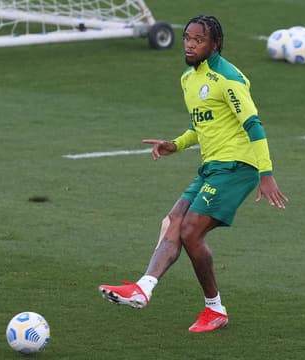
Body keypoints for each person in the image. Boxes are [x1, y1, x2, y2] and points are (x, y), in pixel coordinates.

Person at [98, 15, 288, 332]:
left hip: (238, 167)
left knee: (189, 231)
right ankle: (144, 288)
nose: (189, 44)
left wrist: (266, 174)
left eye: (198, 39)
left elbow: (253, 124)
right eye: (187, 37)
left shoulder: (228, 79)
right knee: (173, 221)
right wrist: (176, 144)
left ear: (214, 44)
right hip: (212, 167)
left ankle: (214, 309)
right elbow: (200, 126)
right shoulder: (189, 79)